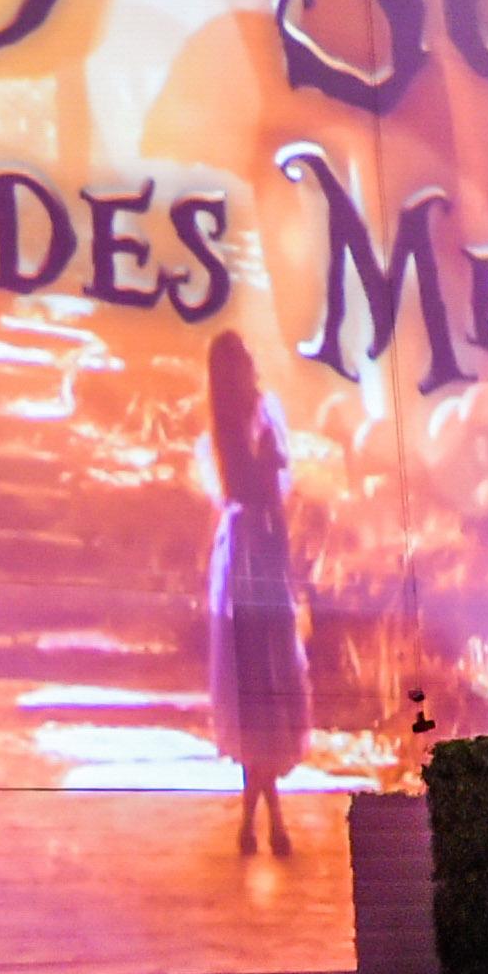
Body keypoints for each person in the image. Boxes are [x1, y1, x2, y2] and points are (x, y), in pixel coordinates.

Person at [201, 331, 310, 860]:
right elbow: (264, 494)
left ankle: (258, 822)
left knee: (259, 692)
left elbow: (266, 491)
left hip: (250, 556)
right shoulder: (242, 428)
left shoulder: (240, 422)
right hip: (253, 557)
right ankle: (269, 822)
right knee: (261, 690)